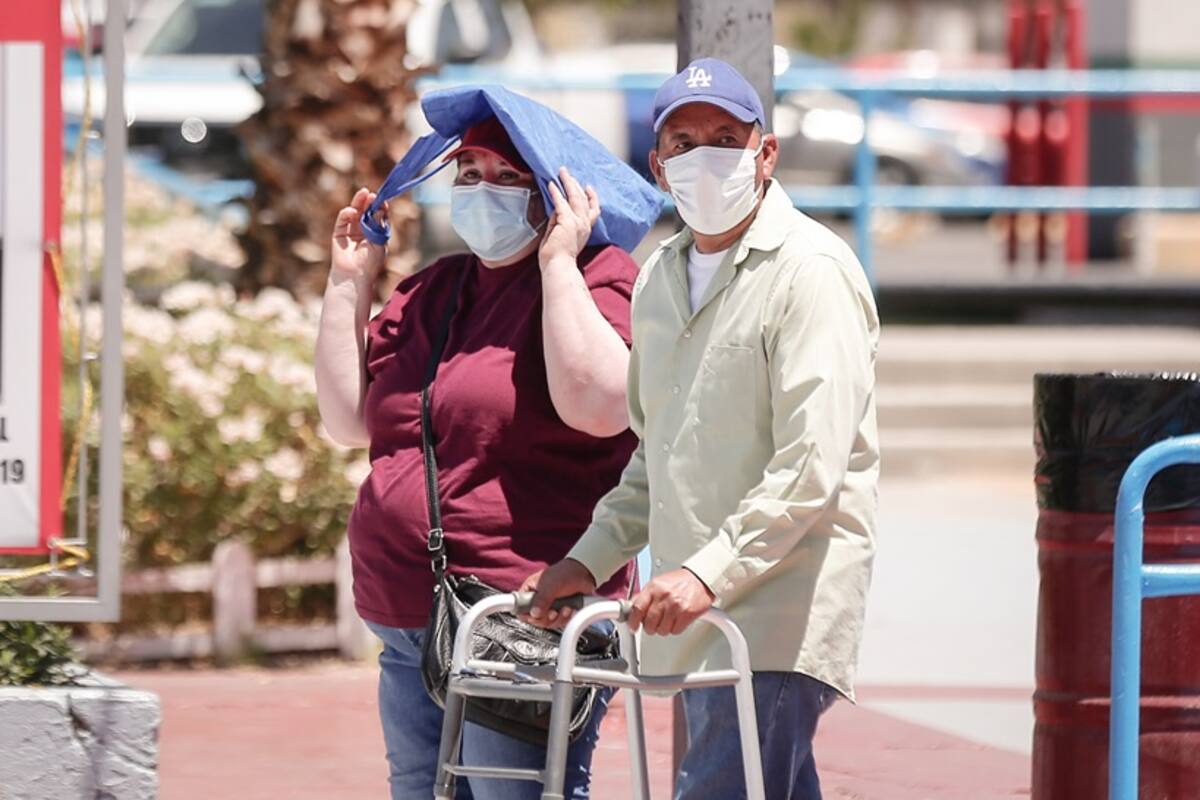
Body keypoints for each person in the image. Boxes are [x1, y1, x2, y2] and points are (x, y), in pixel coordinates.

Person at [521, 57, 880, 800]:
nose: (703, 156)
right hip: (699, 613)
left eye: (725, 136)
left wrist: (705, 573)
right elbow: (658, 455)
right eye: (683, 142)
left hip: (778, 611)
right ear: (657, 164)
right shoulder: (659, 278)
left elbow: (811, 463)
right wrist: (587, 561)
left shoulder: (811, 271)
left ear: (765, 152)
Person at [315, 115, 642, 800]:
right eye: (469, 175)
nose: (482, 190)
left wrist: (557, 263)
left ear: (554, 196)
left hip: (520, 621)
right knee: (420, 789)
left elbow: (601, 404)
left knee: (514, 791)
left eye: (507, 177)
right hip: (410, 614)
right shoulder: (434, 290)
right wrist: (350, 281)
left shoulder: (601, 278)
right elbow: (347, 421)